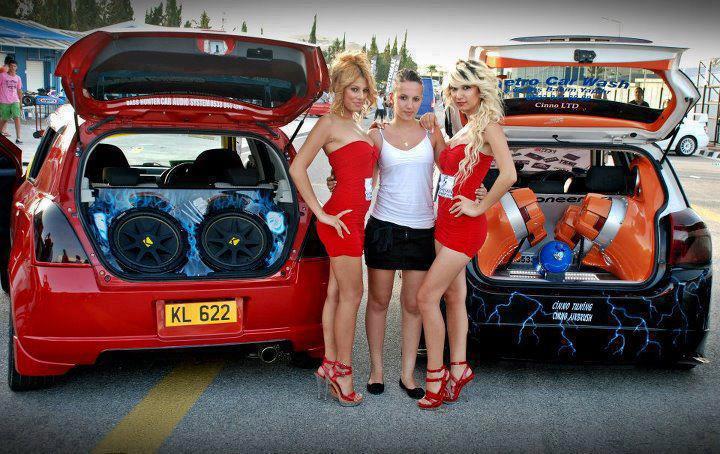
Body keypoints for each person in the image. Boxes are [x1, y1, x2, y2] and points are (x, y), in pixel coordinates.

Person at [326, 69, 489, 401]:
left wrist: (478, 191)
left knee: (413, 305)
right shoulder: (376, 135)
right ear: (392, 98)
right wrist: (336, 183)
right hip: (383, 227)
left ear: (423, 100)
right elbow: (362, 177)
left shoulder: (431, 133)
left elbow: (455, 169)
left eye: (416, 99)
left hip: (422, 229)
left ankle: (407, 374)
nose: (409, 104)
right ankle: (376, 371)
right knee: (378, 302)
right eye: (403, 97)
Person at [417, 59, 516, 410]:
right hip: (444, 219)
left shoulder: (489, 126)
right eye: (454, 88)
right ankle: (459, 368)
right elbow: (446, 165)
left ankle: (436, 377)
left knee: (426, 297)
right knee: (454, 297)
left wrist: (480, 206)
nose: (459, 95)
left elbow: (509, 174)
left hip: (465, 225)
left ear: (480, 90)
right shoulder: (465, 124)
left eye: (466, 87)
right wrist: (434, 133)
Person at [289, 50, 378, 407]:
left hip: (354, 220)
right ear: (339, 88)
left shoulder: (357, 125)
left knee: (338, 296)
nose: (359, 95)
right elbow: (297, 168)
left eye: (364, 89)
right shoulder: (328, 123)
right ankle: (343, 372)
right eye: (353, 89)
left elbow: (355, 172)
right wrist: (321, 214)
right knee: (353, 296)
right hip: (340, 222)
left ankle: (329, 363)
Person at [0, 58, 23, 144]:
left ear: (17, 67)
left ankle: (18, 138)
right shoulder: (2, 76)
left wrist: (20, 103)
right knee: (4, 119)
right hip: (4, 101)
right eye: (11, 66)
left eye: (14, 66)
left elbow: (19, 90)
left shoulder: (18, 78)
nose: (13, 68)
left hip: (15, 100)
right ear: (8, 67)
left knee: (17, 117)